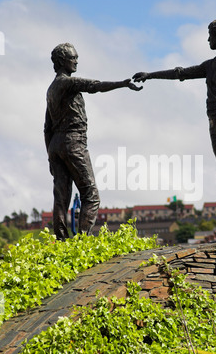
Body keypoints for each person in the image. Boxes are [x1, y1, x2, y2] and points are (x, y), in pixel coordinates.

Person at [133, 18, 216, 241]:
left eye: (210, 34)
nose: (208, 38)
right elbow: (181, 73)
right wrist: (150, 75)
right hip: (215, 126)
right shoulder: (210, 65)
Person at [44, 42, 142, 240]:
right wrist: (122, 84)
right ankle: (83, 241)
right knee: (91, 195)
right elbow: (94, 86)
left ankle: (61, 242)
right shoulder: (66, 83)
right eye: (74, 58)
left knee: (61, 198)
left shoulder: (52, 89)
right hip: (73, 142)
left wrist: (50, 155)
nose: (77, 61)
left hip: (56, 145)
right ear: (63, 61)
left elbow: (47, 127)